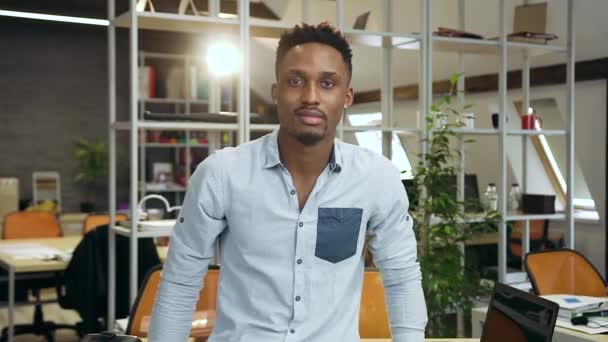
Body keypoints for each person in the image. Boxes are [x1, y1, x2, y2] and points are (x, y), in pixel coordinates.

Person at [149, 22, 427, 341]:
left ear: (347, 96)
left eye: (327, 83)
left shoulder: (377, 178)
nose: (311, 96)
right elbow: (180, 284)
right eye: (296, 81)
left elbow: (402, 278)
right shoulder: (222, 173)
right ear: (276, 91)